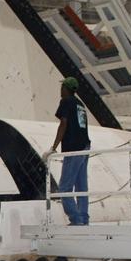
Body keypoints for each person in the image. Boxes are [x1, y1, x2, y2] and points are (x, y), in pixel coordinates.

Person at [45, 76, 91, 226]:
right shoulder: (80, 104)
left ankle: (76, 219)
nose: (60, 90)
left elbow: (63, 124)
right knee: (81, 187)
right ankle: (83, 219)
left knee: (65, 187)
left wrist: (53, 147)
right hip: (84, 147)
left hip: (73, 148)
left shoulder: (66, 102)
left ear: (66, 89)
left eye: (62, 87)